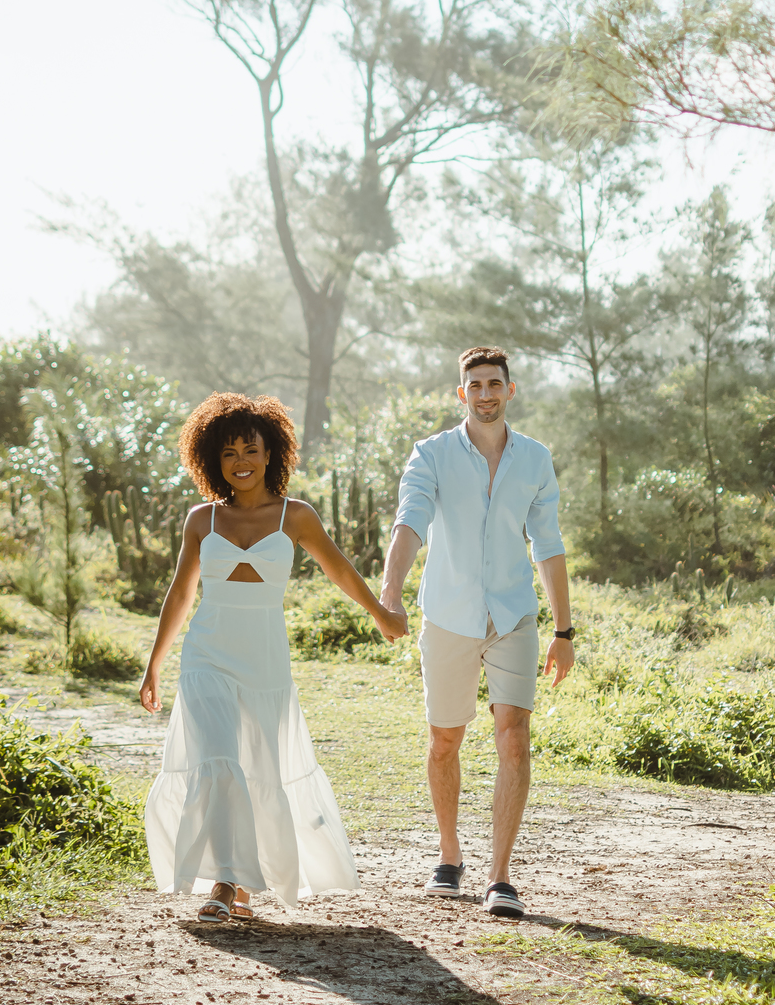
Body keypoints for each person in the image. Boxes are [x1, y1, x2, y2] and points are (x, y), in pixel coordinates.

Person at [140, 391, 408, 921]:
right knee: (218, 761)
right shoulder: (201, 519)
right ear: (213, 460)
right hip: (207, 655)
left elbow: (338, 569)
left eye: (250, 450)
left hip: (264, 659)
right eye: (229, 453)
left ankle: (243, 879)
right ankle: (224, 882)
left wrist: (379, 612)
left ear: (271, 454)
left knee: (256, 767)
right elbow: (181, 594)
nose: (240, 461)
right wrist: (154, 665)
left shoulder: (295, 516)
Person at [381, 346, 574, 920]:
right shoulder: (432, 454)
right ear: (460, 393)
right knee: (445, 740)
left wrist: (564, 630)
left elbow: (548, 543)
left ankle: (500, 876)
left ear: (509, 390)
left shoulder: (535, 459)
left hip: (513, 615)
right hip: (449, 613)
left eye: (494, 384)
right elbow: (410, 522)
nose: (485, 394)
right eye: (475, 385)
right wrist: (390, 594)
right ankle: (449, 855)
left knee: (514, 736)